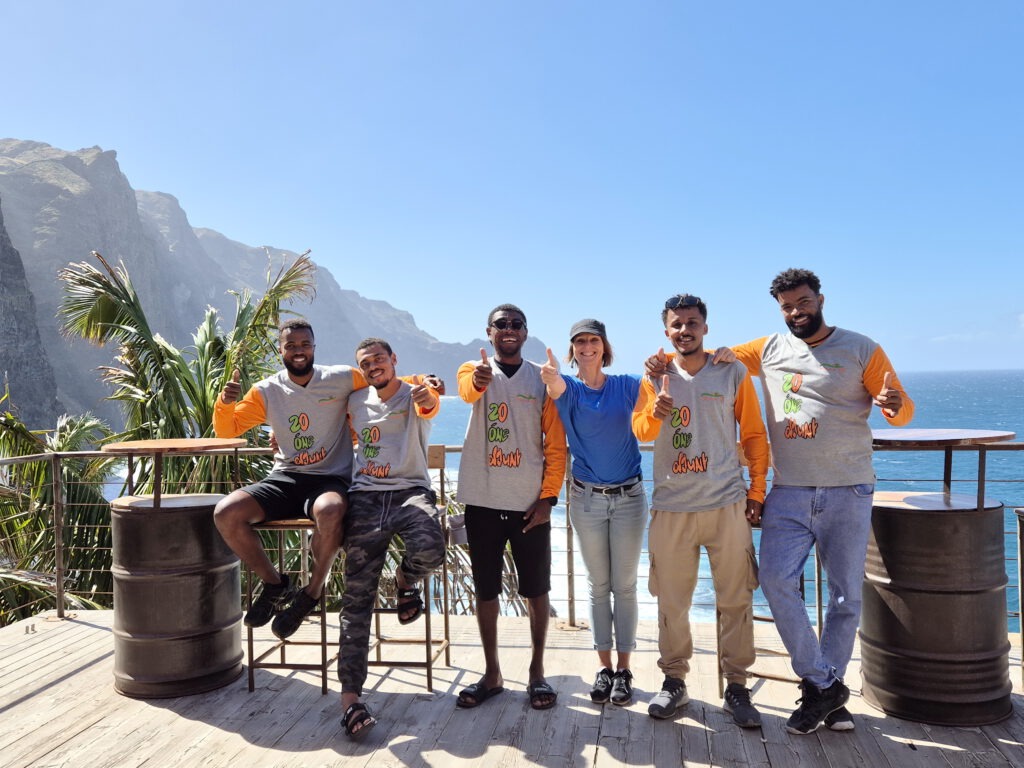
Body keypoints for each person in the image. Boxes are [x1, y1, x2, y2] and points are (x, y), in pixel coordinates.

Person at [730, 268, 914, 735]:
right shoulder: (767, 350)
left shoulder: (861, 348)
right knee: (774, 580)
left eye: (804, 302)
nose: (796, 312)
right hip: (789, 490)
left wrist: (894, 405)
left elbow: (899, 408)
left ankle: (823, 694)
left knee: (845, 596)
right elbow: (713, 361)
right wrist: (661, 369)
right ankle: (825, 683)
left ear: (821, 300)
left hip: (849, 489)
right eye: (787, 306)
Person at [633, 293, 769, 727]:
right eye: (677, 324)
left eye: (692, 323)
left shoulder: (732, 371)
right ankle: (674, 681)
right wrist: (655, 412)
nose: (684, 330)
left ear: (705, 327)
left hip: (726, 504)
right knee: (672, 602)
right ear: (666, 331)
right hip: (672, 507)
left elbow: (754, 434)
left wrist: (757, 492)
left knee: (736, 599)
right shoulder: (654, 375)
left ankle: (737, 685)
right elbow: (640, 430)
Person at [454, 303, 567, 711]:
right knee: (486, 590)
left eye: (516, 324)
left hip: (528, 505)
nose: (509, 329)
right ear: (489, 332)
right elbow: (467, 390)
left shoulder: (541, 379)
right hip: (482, 502)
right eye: (501, 324)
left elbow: (556, 445)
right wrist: (479, 380)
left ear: (525, 332)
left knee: (536, 590)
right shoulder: (473, 370)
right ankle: (492, 674)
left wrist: (548, 498)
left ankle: (537, 672)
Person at [213, 319, 354, 640]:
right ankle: (275, 584)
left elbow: (384, 381)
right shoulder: (266, 390)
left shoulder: (342, 378)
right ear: (281, 350)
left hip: (330, 478)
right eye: (290, 345)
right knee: (226, 513)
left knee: (331, 510)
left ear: (314, 347)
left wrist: (425, 385)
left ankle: (311, 593)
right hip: (286, 477)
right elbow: (227, 431)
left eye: (304, 344)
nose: (298, 351)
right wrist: (226, 403)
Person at [338, 337, 445, 740]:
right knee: (356, 599)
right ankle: (350, 700)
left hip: (410, 492)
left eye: (379, 359)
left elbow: (430, 401)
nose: (373, 366)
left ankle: (404, 580)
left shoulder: (417, 392)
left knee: (431, 548)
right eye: (366, 363)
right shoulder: (354, 401)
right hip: (365, 497)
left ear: (394, 359)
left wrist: (429, 391)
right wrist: (282, 441)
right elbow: (328, 427)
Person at [538, 319, 646, 707]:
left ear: (605, 347)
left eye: (593, 340)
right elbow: (555, 386)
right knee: (599, 586)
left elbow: (660, 398)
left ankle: (625, 670)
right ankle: (604, 668)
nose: (587, 347)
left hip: (629, 498)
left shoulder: (628, 385)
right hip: (586, 501)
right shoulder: (569, 390)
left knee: (625, 586)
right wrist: (551, 376)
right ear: (573, 349)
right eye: (580, 341)